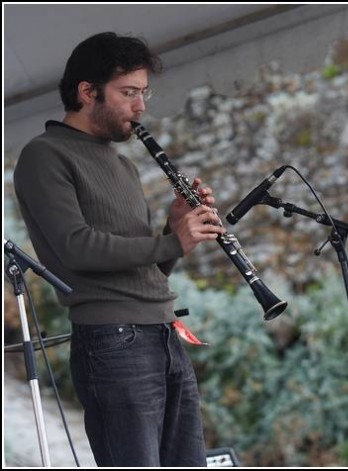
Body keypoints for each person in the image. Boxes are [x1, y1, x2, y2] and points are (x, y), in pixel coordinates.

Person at [13, 32, 225, 467]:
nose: (141, 106)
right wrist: (170, 240)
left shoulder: (122, 163)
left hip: (164, 334)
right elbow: (77, 249)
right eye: (128, 93)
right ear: (87, 92)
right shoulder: (45, 156)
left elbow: (148, 269)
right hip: (113, 341)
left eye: (143, 93)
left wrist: (176, 226)